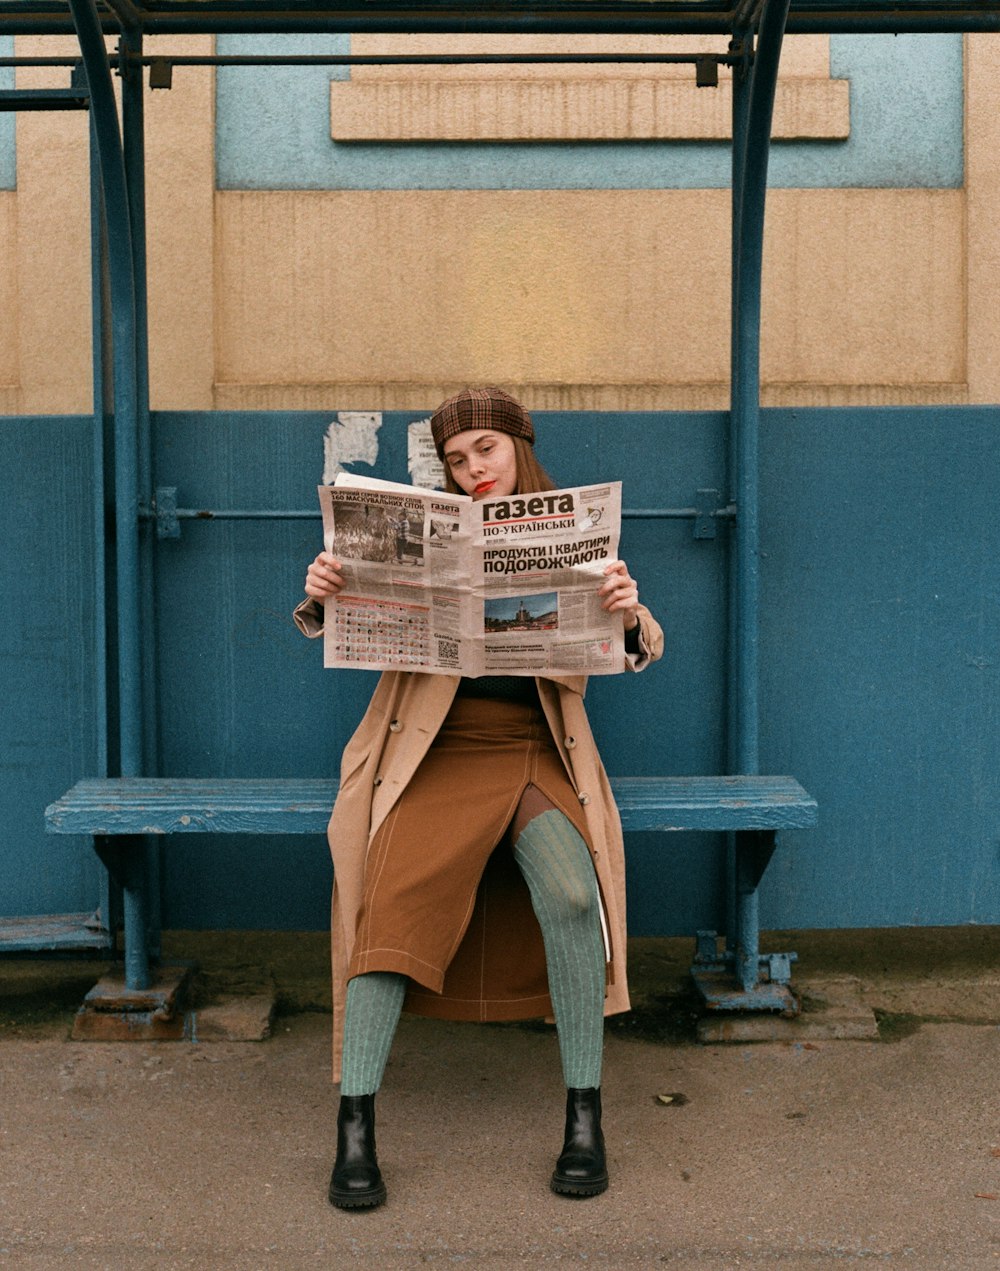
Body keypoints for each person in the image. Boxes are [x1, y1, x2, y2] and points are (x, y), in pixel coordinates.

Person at [295, 387, 663, 1210]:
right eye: (458, 461)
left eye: (485, 452)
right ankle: (355, 1127)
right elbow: (342, 619)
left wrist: (627, 612)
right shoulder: (435, 529)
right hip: (430, 757)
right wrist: (325, 590)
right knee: (385, 908)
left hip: (534, 754)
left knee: (574, 894)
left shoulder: (572, 531)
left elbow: (642, 642)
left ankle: (583, 1118)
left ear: (519, 448)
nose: (473, 470)